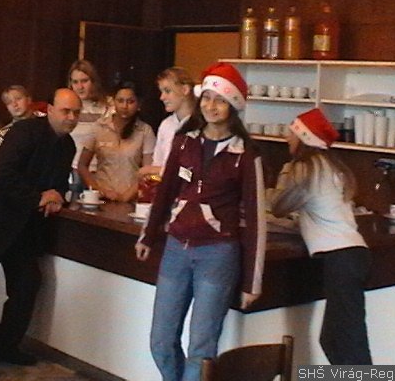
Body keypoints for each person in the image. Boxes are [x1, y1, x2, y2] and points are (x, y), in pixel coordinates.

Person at [135, 62, 266, 381]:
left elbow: (256, 221)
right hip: (176, 248)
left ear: (233, 106)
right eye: (207, 97)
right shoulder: (184, 141)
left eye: (220, 100)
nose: (211, 106)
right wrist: (148, 235)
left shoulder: (246, 154)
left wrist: (252, 280)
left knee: (201, 347)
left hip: (218, 254)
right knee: (161, 341)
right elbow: (165, 192)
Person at [0, 88, 81, 380]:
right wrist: (39, 197)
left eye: (76, 112)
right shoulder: (25, 132)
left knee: (27, 283)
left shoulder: (68, 146)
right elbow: (2, 174)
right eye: (66, 111)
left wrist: (56, 195)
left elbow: (58, 184)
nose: (71, 118)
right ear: (50, 110)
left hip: (23, 227)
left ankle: (5, 346)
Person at [271, 108, 372, 365]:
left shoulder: (305, 168)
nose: (287, 138)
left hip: (340, 259)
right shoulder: (331, 166)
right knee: (336, 340)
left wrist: (286, 170)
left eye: (292, 133)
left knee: (348, 345)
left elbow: (279, 205)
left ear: (303, 138)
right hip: (353, 255)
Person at [77, 81, 156, 202]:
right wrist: (98, 190)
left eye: (130, 102)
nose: (124, 106)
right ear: (113, 101)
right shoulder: (99, 127)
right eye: (120, 101)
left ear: (139, 104)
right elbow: (82, 165)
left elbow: (148, 172)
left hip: (131, 200)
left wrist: (125, 197)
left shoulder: (145, 131)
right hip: (101, 199)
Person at [138, 66, 196, 178]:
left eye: (167, 91)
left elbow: (195, 174)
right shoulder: (166, 125)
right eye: (161, 92)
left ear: (185, 90)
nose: (162, 97)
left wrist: (160, 170)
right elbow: (157, 162)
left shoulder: (201, 124)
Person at [67, 59, 110, 191]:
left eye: (84, 81)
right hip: (72, 170)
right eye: (75, 82)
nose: (80, 87)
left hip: (100, 171)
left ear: (93, 81)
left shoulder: (107, 107)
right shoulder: (67, 107)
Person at [0, 85, 46, 149]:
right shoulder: (5, 132)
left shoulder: (47, 120)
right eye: (9, 102)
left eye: (18, 99)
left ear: (29, 100)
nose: (14, 104)